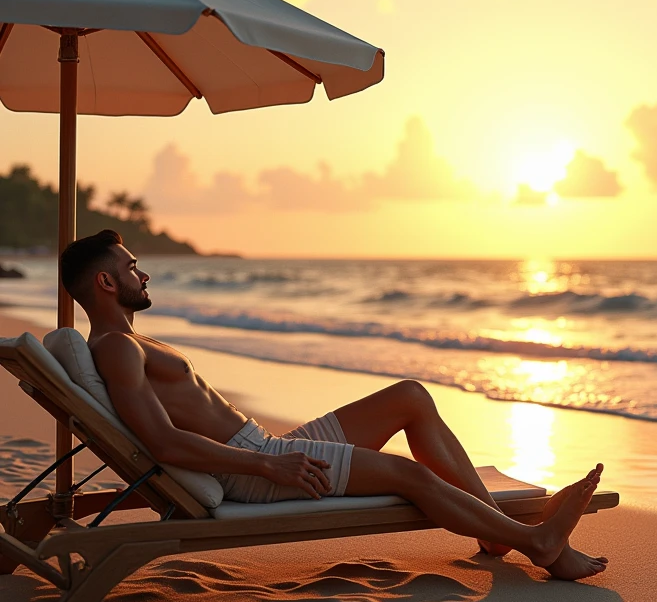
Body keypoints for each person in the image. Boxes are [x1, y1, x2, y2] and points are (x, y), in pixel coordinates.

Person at [59, 230, 608, 581]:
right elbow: (161, 443)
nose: (144, 273)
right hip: (255, 469)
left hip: (268, 450)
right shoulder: (117, 349)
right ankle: (537, 541)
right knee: (411, 476)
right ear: (106, 282)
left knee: (410, 397)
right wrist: (268, 464)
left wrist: (271, 453)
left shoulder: (126, 344)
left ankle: (491, 526)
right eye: (132, 267)